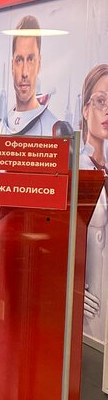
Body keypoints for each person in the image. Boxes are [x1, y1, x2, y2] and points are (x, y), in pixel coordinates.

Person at [79, 64, 108, 344]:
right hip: (88, 311)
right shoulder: (75, 170)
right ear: (86, 109)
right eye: (101, 101)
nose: (107, 110)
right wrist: (71, 288)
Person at [0, 14, 58, 135]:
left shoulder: (53, 129)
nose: (24, 72)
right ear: (12, 66)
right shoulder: (2, 126)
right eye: (19, 60)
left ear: (39, 64)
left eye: (30, 59)